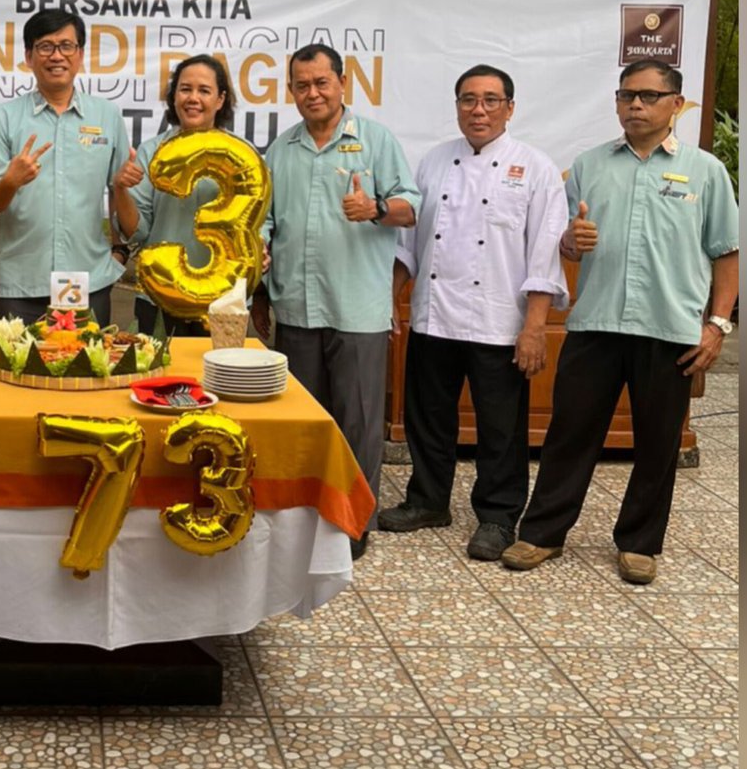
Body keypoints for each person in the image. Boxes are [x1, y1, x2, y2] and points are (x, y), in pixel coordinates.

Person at [501, 60, 739, 584]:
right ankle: (542, 533)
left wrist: (718, 324)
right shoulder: (589, 165)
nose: (636, 105)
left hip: (670, 331)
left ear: (675, 104)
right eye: (627, 95)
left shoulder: (706, 172)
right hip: (596, 326)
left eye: (649, 96)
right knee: (569, 434)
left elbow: (727, 252)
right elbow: (564, 241)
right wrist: (572, 240)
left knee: (658, 444)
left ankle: (639, 543)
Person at [374, 64, 569, 560]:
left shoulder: (536, 168)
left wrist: (535, 328)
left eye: (490, 100)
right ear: (457, 105)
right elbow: (409, 245)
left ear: (510, 108)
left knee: (501, 428)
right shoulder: (434, 162)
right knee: (427, 417)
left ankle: (499, 517)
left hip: (499, 322)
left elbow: (544, 255)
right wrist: (391, 298)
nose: (478, 110)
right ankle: (427, 500)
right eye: (468, 100)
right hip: (434, 314)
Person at [252, 43, 419, 559]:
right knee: (303, 421)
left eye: (321, 82)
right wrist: (260, 245)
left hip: (357, 307)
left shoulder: (375, 139)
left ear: (342, 83)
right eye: (302, 85)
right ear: (291, 91)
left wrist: (374, 208)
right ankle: (305, 519)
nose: (312, 93)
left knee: (358, 424)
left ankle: (353, 522)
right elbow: (266, 219)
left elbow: (411, 207)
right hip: (296, 307)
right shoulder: (281, 150)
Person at [0, 8, 131, 325]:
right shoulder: (3, 118)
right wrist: (10, 182)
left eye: (66, 46)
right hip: (20, 284)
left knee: (88, 359)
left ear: (80, 54)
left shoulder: (107, 115)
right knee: (13, 360)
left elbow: (119, 191)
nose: (56, 56)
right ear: (29, 57)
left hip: (89, 280)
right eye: (45, 46)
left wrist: (119, 251)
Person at [112, 54, 238, 337]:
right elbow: (136, 232)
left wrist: (260, 245)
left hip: (223, 300)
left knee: (218, 369)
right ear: (174, 97)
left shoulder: (241, 155)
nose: (193, 98)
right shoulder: (151, 152)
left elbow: (256, 223)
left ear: (220, 99)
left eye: (204, 90)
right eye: (185, 89)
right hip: (160, 297)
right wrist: (120, 189)